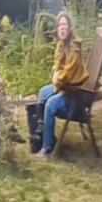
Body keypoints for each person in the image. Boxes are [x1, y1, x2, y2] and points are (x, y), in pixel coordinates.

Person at [30, 11, 94, 158]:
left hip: (75, 95)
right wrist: (56, 76)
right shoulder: (61, 45)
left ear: (70, 28)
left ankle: (46, 148)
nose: (62, 28)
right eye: (59, 25)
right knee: (42, 92)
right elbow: (56, 67)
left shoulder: (74, 50)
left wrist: (56, 77)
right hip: (65, 87)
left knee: (50, 104)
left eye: (64, 25)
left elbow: (64, 77)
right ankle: (43, 132)